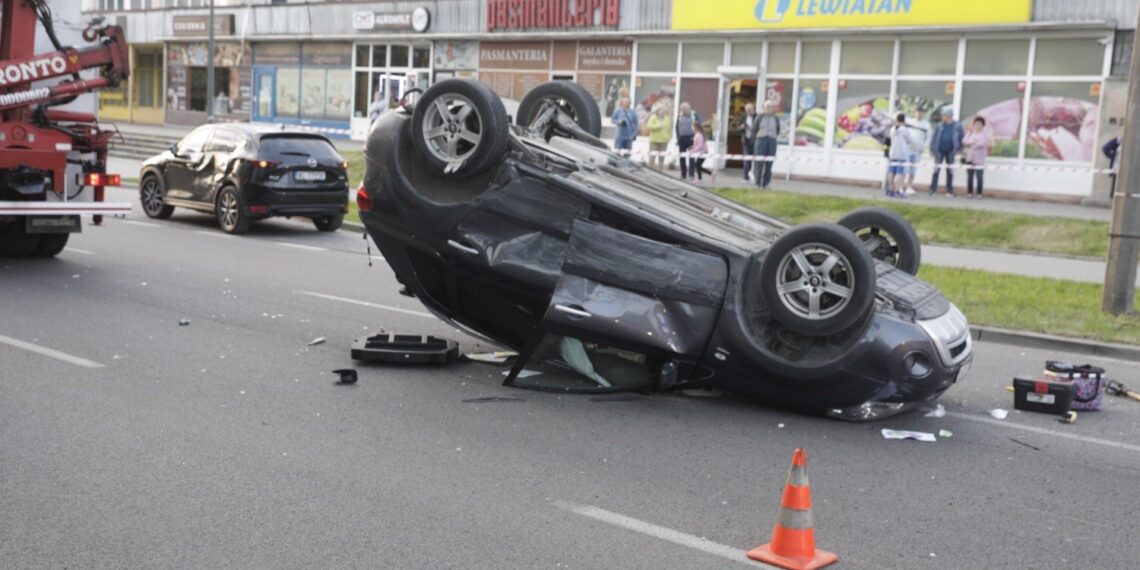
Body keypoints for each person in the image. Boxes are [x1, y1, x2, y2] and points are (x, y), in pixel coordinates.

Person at [929, 109, 963, 197]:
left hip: (951, 151)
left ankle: (949, 190)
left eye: (944, 115)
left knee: (950, 170)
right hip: (939, 150)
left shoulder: (957, 125)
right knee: (936, 170)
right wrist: (932, 149)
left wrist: (960, 148)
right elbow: (934, 137)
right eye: (943, 115)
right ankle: (933, 189)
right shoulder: (939, 125)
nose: (943, 117)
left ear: (950, 116)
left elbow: (961, 137)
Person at [962, 116, 994, 199]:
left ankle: (979, 193)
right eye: (976, 124)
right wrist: (973, 142)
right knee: (970, 177)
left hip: (979, 159)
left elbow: (982, 144)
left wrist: (972, 144)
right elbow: (964, 141)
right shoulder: (970, 133)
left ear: (983, 125)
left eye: (979, 124)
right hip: (969, 158)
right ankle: (969, 192)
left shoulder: (985, 135)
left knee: (979, 177)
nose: (977, 125)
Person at [887, 113, 917, 198]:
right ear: (904, 120)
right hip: (901, 154)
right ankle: (897, 191)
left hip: (892, 153)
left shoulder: (892, 129)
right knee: (900, 173)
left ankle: (890, 190)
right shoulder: (904, 130)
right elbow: (910, 140)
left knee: (891, 172)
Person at [752, 101, 780, 190]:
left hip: (772, 140)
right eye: (767, 107)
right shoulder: (759, 117)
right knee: (759, 163)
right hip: (761, 140)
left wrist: (772, 137)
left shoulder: (775, 118)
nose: (769, 108)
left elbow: (778, 130)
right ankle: (757, 183)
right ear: (763, 108)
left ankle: (766, 183)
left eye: (771, 107)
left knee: (769, 163)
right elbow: (754, 129)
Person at [904, 109, 932, 194]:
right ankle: (901, 186)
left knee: (913, 169)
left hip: (917, 150)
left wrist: (923, 147)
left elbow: (929, 138)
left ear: (923, 114)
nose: (919, 114)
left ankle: (909, 186)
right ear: (915, 113)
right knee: (905, 168)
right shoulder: (909, 121)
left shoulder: (926, 125)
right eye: (917, 112)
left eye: (921, 113)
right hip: (907, 149)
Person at [676, 102, 700, 179]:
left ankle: (691, 174)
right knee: (682, 157)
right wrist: (678, 138)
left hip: (691, 138)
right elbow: (677, 127)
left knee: (691, 157)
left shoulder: (694, 115)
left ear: (688, 109)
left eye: (683, 109)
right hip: (682, 138)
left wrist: (696, 138)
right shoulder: (679, 116)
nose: (682, 110)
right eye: (681, 109)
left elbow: (698, 126)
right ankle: (683, 174)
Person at [646, 106, 672, 171]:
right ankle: (650, 170)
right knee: (652, 157)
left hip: (664, 141)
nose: (663, 112)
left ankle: (660, 171)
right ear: (658, 111)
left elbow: (670, 129)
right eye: (662, 111)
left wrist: (669, 138)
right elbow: (649, 126)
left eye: (664, 111)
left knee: (662, 158)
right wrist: (658, 126)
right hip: (654, 140)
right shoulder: (653, 117)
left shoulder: (667, 118)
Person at [738, 103, 757, 182]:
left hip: (755, 141)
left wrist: (752, 128)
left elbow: (759, 128)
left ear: (753, 109)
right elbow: (738, 127)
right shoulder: (743, 117)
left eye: (749, 110)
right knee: (746, 160)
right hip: (746, 140)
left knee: (756, 160)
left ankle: (755, 177)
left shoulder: (757, 117)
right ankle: (746, 177)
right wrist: (741, 127)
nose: (748, 112)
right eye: (746, 110)